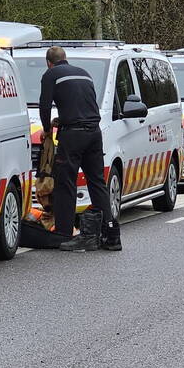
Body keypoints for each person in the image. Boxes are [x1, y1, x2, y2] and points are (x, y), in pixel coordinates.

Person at [38, 46, 120, 251]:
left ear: (49, 62)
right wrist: (62, 119)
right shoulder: (84, 74)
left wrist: (47, 129)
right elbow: (80, 105)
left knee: (65, 183)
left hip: (73, 135)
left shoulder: (51, 74)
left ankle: (65, 234)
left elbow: (44, 105)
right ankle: (110, 234)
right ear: (65, 58)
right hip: (94, 132)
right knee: (97, 182)